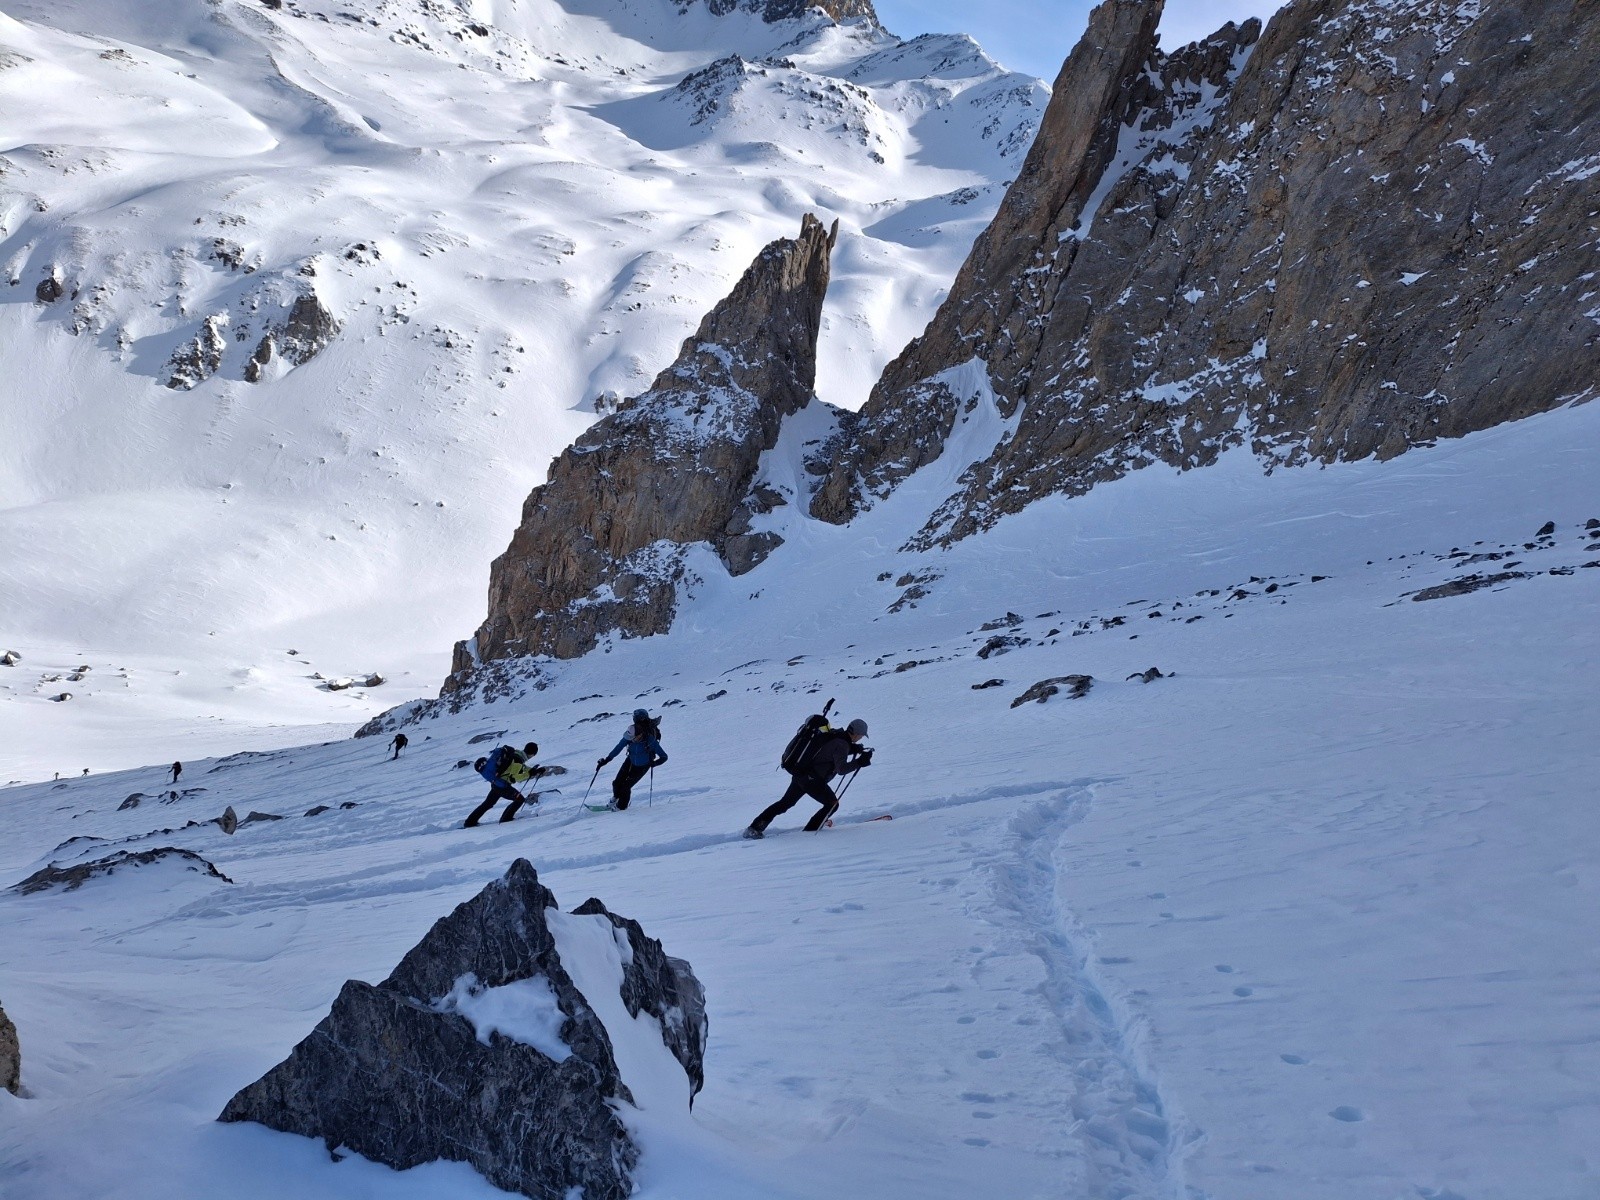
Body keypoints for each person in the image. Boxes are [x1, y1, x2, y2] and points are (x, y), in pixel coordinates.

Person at [744, 719, 871, 838]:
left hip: (801, 774)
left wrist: (854, 749)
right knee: (832, 804)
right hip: (813, 780)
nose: (860, 738)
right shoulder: (842, 744)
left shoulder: (835, 735)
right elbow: (842, 769)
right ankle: (810, 832)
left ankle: (754, 828)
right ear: (856, 733)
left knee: (785, 803)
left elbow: (829, 751)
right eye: (861, 735)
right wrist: (860, 762)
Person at [596, 710, 667, 811]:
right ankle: (615, 799)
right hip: (630, 760)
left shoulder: (650, 740)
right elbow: (618, 748)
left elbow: (664, 757)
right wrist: (606, 760)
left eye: (633, 738)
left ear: (640, 735)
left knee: (625, 787)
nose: (631, 740)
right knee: (616, 783)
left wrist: (654, 763)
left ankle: (621, 807)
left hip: (643, 765)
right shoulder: (630, 735)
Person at [464, 741, 541, 827]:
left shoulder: (515, 754)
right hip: (503, 786)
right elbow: (516, 777)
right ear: (533, 754)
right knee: (519, 800)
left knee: (487, 804)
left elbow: (519, 767)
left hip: (496, 782)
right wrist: (529, 774)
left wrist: (532, 770)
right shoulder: (518, 760)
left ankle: (469, 822)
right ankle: (506, 819)